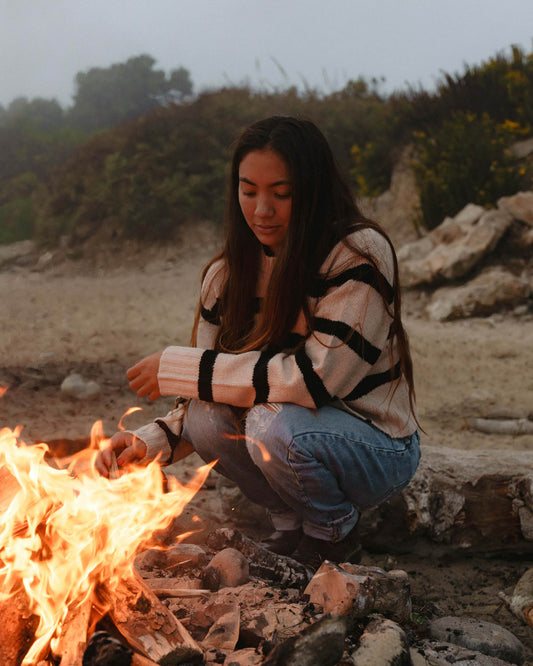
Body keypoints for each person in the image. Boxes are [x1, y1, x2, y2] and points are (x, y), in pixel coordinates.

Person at [96, 115, 421, 569]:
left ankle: (333, 531)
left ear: (313, 190)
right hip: (288, 430)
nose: (262, 210)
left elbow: (315, 381)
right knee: (210, 413)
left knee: (273, 423)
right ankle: (289, 523)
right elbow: (215, 391)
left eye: (281, 194)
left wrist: (180, 366)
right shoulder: (226, 276)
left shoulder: (357, 255)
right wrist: (150, 442)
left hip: (374, 445)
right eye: (249, 191)